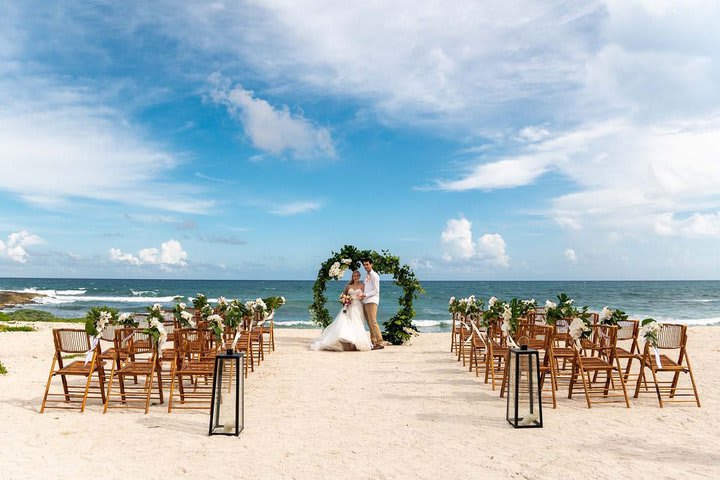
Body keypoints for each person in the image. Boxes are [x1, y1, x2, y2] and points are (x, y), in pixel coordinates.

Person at [310, 270, 372, 351]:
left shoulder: (362, 285)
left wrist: (361, 297)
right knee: (347, 323)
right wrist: (344, 300)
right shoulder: (349, 286)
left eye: (357, 276)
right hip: (349, 306)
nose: (356, 277)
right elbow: (344, 295)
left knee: (357, 323)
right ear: (352, 277)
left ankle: (355, 344)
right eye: (354, 276)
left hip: (358, 306)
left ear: (359, 276)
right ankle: (349, 343)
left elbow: (364, 296)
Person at [359, 258, 384, 350]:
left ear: (371, 264)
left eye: (367, 264)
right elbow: (366, 288)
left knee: (373, 322)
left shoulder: (375, 275)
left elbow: (376, 290)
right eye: (364, 265)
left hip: (372, 301)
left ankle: (380, 342)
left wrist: (366, 295)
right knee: (369, 323)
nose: (365, 266)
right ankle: (374, 342)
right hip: (365, 301)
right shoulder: (366, 276)